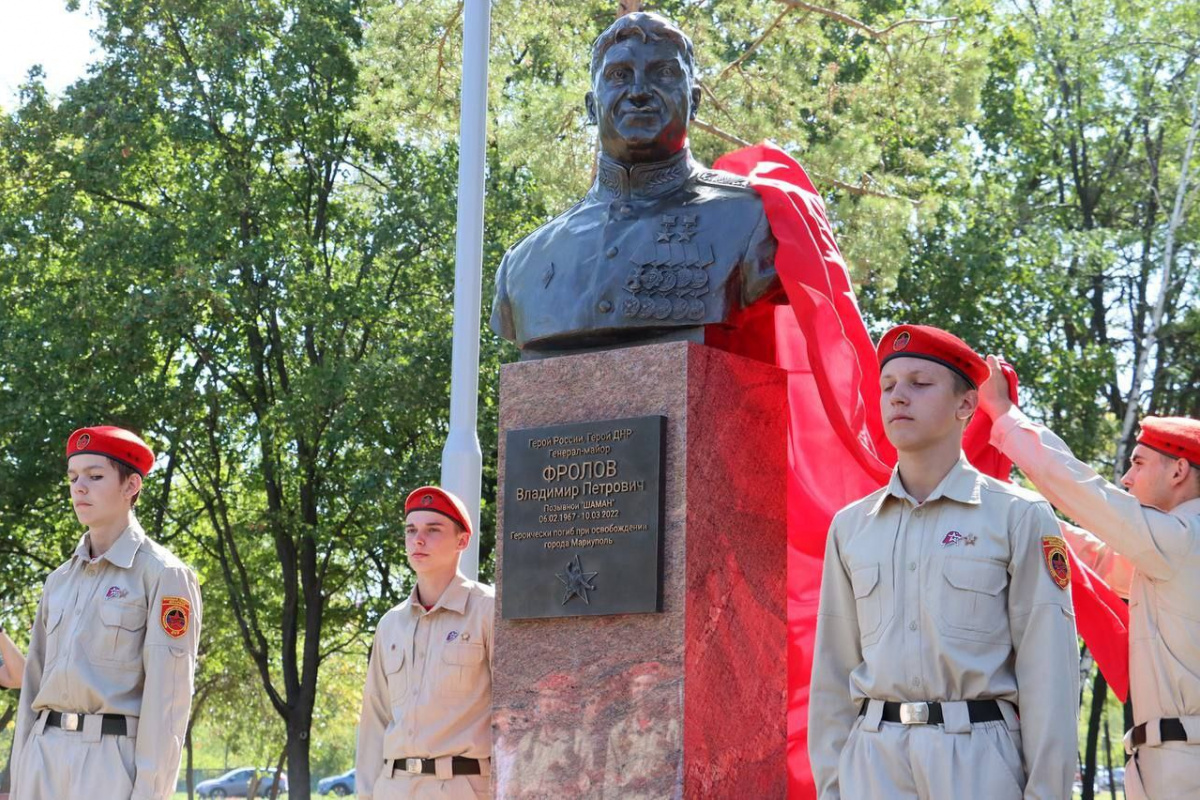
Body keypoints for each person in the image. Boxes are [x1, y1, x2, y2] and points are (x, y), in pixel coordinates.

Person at [808, 325, 1079, 799]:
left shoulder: (1018, 515)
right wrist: (833, 785)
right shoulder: (851, 527)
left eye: (919, 383)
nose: (898, 397)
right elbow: (832, 669)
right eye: (888, 386)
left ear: (965, 406)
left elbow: (1049, 672)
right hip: (873, 763)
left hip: (977, 757)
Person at [490, 11, 782, 358]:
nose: (640, 91)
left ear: (695, 103)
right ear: (591, 108)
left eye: (664, 73)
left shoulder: (750, 218)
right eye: (618, 75)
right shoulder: (523, 263)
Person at [979, 357, 1200, 799]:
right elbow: (1100, 560)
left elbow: (1085, 492)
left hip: (1186, 762)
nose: (1126, 478)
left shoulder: (1186, 538)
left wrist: (1003, 417)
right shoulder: (1170, 549)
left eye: (1139, 464)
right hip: (1167, 757)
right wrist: (1025, 516)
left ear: (1178, 471)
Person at [10, 425, 202, 800]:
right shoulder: (58, 581)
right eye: (73, 477)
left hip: (110, 764)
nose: (79, 487)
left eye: (95, 476)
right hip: (41, 757)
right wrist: (19, 776)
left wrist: (150, 793)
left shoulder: (163, 575)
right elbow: (32, 684)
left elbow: (168, 701)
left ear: (131, 486)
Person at [356, 486, 494, 799]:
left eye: (433, 530)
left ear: (462, 541)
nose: (418, 539)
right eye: (411, 530)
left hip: (463, 788)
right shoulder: (390, 625)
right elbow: (374, 720)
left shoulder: (488, 612)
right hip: (394, 788)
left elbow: (512, 717)